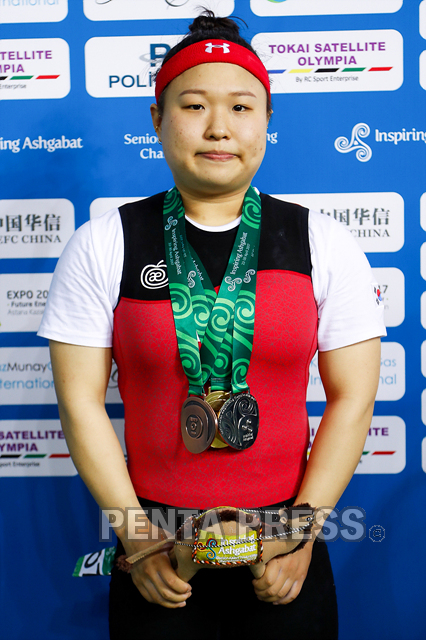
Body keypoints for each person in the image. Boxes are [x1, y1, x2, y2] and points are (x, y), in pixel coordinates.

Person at [38, 11, 386, 640]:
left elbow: (353, 398)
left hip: (284, 547)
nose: (219, 127)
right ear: (157, 118)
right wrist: (137, 538)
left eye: (241, 107)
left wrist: (300, 535)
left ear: (267, 119)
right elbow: (80, 401)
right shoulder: (104, 243)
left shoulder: (323, 242)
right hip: (156, 551)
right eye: (194, 105)